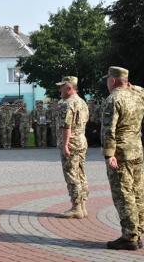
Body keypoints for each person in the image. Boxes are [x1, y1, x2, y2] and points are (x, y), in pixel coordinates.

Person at [101, 66, 144, 250]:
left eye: (108, 79)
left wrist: (109, 154)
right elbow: (140, 89)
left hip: (121, 153)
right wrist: (132, 87)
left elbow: (108, 130)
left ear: (113, 80)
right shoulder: (137, 94)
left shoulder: (113, 99)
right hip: (137, 149)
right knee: (138, 193)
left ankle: (129, 237)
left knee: (123, 194)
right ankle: (138, 232)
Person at [56, 76, 89, 219]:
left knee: (71, 175)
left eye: (62, 87)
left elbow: (66, 126)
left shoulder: (67, 103)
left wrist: (65, 144)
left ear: (69, 88)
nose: (59, 89)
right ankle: (82, 206)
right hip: (81, 141)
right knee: (81, 173)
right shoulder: (82, 102)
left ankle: (76, 207)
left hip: (71, 143)